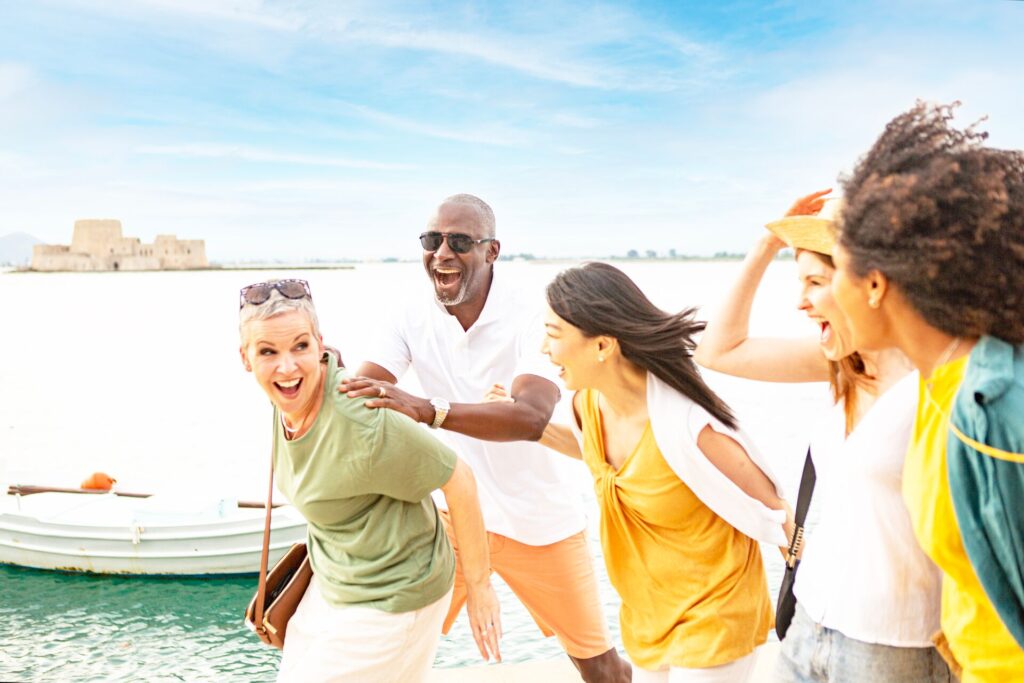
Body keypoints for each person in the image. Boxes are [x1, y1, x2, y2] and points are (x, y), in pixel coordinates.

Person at [337, 195, 630, 682]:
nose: (442, 253)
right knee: (379, 654)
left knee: (600, 667)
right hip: (453, 518)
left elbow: (531, 417)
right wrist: (316, 371)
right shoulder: (409, 314)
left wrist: (429, 411)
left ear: (492, 251)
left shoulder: (536, 314)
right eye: (432, 241)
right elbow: (365, 398)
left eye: (460, 242)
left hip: (540, 520)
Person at [693, 192, 950, 682]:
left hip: (895, 642)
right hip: (809, 619)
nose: (801, 301)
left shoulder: (940, 377)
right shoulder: (845, 364)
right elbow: (717, 350)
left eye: (816, 281)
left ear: (870, 284)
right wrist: (768, 242)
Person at [829, 101, 1024, 683]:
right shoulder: (936, 383)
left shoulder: (990, 413)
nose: (825, 291)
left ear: (873, 285)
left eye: (833, 269)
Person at [530, 261, 790, 683]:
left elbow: (777, 512)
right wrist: (525, 426)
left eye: (553, 334)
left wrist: (814, 619)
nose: (544, 348)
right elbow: (595, 454)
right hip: (647, 616)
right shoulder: (588, 407)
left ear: (602, 346)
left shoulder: (688, 425)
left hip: (715, 612)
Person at [237, 278, 500, 682]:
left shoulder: (362, 419)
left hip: (395, 592)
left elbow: (459, 478)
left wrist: (480, 591)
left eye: (300, 347)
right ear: (246, 358)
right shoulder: (286, 398)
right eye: (268, 352)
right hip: (334, 579)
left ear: (318, 344)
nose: (287, 367)